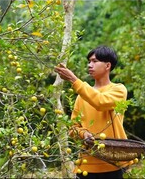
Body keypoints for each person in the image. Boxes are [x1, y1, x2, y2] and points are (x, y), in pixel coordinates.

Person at [54, 46, 133, 179]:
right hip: (86, 164)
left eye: (94, 61)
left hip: (113, 163)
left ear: (107, 65)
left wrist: (74, 80)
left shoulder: (119, 90)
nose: (90, 65)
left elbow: (100, 102)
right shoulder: (82, 96)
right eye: (89, 62)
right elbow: (73, 128)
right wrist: (83, 133)